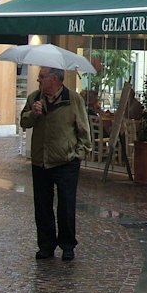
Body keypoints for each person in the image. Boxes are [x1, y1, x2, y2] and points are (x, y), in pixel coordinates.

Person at [20, 67, 91, 261]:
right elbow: (23, 122)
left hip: (66, 161)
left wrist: (79, 154)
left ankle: (68, 245)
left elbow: (84, 130)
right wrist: (33, 114)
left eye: (42, 77)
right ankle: (46, 246)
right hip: (41, 161)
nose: (38, 80)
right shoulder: (35, 97)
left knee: (66, 206)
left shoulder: (73, 99)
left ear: (54, 79)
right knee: (42, 206)